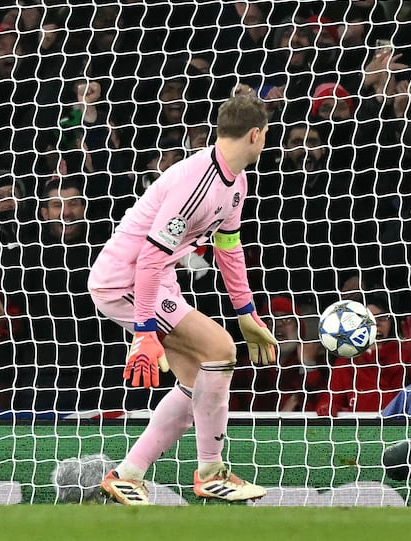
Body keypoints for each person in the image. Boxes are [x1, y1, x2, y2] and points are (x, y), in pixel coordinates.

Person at [87, 87, 279, 506]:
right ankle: (211, 472)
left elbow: (229, 248)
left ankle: (128, 474)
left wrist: (246, 310)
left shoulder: (236, 182)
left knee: (197, 381)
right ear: (255, 135)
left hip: (156, 279)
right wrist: (144, 332)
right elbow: (149, 258)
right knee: (220, 348)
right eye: (266, 133)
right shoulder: (198, 182)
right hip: (128, 280)